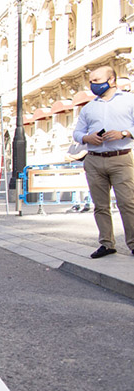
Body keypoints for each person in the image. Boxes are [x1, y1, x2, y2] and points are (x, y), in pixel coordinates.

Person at [72, 65, 134, 259]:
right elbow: (77, 132)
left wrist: (123, 133)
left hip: (121, 158)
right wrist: (86, 138)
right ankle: (106, 244)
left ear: (112, 80)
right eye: (91, 81)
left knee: (127, 203)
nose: (93, 85)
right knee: (100, 205)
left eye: (97, 81)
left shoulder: (129, 100)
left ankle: (133, 243)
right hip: (94, 160)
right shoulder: (89, 107)